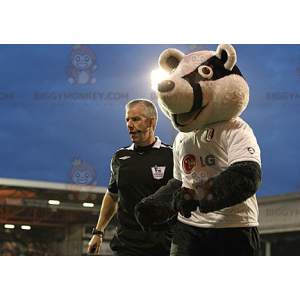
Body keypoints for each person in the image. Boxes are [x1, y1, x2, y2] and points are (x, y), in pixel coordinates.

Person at [87, 99, 175, 256]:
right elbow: (112, 196)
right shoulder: (120, 157)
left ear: (150, 122)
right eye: (127, 119)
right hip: (127, 241)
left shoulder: (171, 155)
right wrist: (98, 232)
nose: (129, 124)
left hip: (163, 242)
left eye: (135, 119)